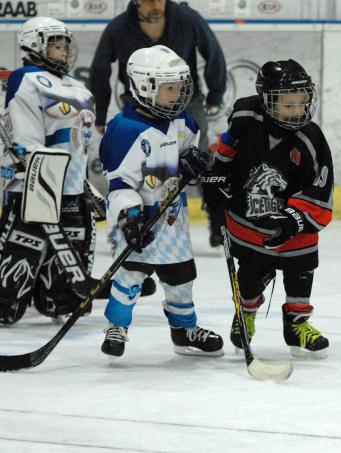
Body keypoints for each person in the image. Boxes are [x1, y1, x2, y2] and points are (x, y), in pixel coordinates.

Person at [98, 45, 223, 358]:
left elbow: (183, 157)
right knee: (129, 276)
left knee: (182, 279)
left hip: (171, 221)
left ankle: (184, 330)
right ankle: (117, 327)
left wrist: (192, 162)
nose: (178, 94)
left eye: (180, 86)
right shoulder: (125, 130)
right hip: (136, 219)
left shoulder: (183, 122)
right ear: (144, 87)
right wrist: (129, 216)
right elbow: (120, 184)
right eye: (170, 88)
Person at [202, 59, 332, 359]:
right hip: (247, 217)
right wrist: (218, 174)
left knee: (301, 270)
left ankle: (297, 325)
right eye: (288, 105)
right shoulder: (246, 114)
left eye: (302, 103)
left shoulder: (311, 138)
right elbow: (228, 145)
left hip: (291, 221)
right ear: (266, 99)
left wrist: (292, 220)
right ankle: (246, 314)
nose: (297, 111)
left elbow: (319, 187)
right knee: (249, 275)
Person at [89, 0, 227, 248]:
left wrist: (216, 94)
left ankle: (218, 222)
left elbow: (213, 50)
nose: (157, 4)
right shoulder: (118, 28)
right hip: (140, 106)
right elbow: (99, 70)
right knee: (141, 159)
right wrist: (99, 113)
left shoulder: (187, 18)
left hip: (186, 103)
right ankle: (136, 216)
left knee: (201, 158)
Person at [0, 17, 97, 325]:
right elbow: (24, 135)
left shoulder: (77, 86)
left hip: (69, 188)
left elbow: (79, 145)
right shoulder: (27, 78)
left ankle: (56, 297)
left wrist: (85, 186)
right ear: (33, 44)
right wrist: (29, 160)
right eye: (55, 45)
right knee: (7, 299)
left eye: (65, 46)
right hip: (33, 187)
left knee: (61, 300)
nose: (63, 51)